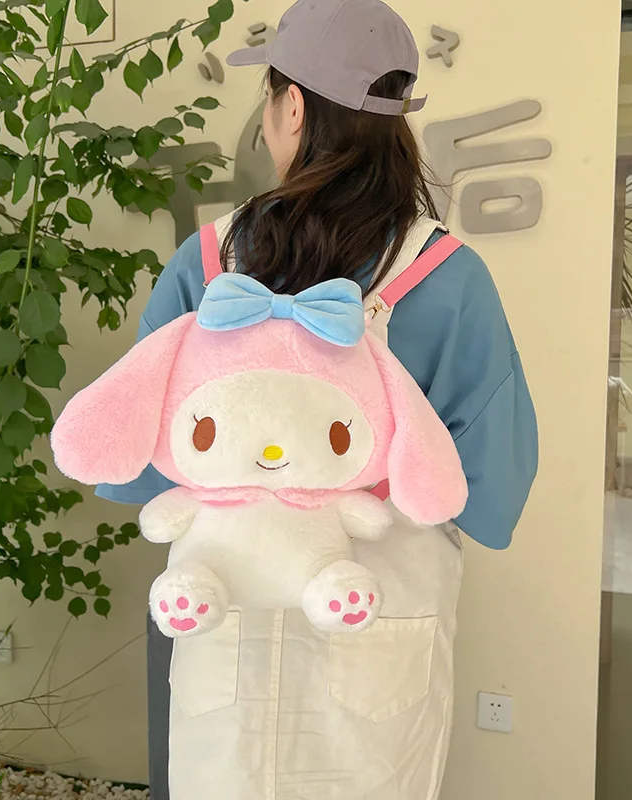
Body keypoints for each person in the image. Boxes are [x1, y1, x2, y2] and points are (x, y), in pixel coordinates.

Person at [97, 0, 538, 797]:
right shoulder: (451, 277)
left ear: (292, 105)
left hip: (224, 611)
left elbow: (135, 466)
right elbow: (492, 488)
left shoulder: (206, 266)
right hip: (380, 610)